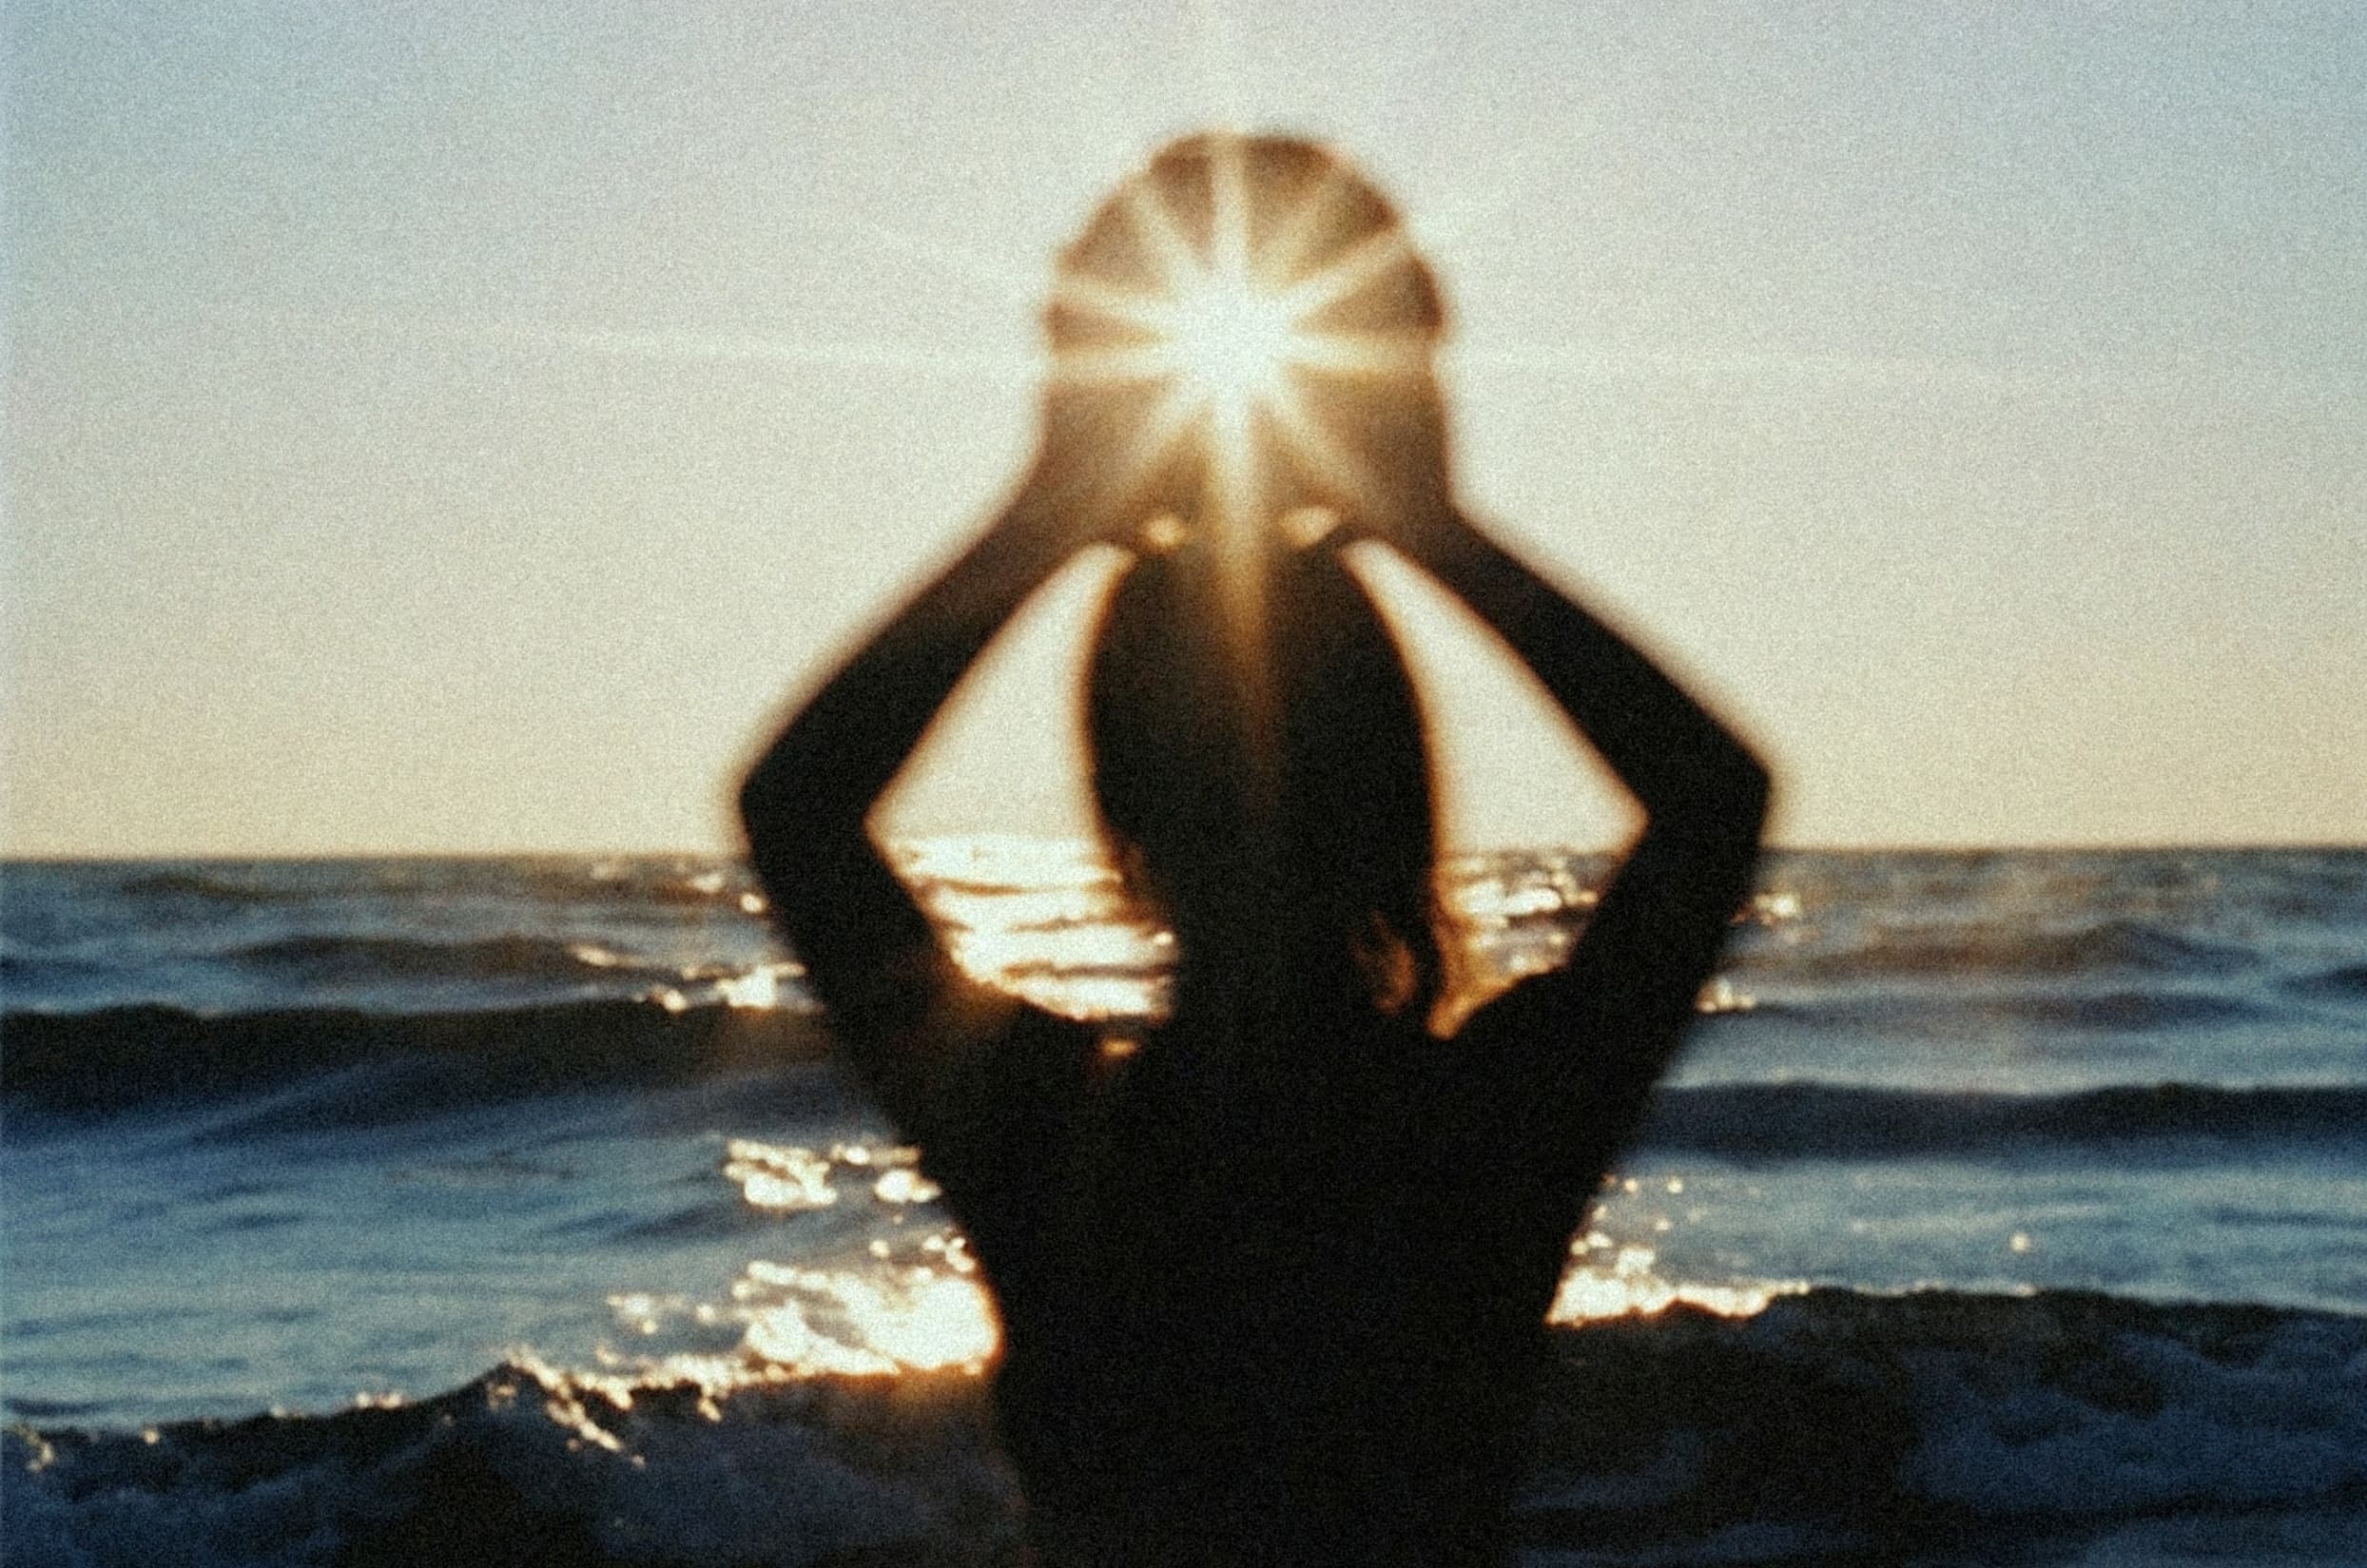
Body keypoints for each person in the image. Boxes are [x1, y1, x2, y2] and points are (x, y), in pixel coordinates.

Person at [741, 133, 1768, 1567]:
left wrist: (1040, 517)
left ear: (1119, 828)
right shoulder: (1482, 1129)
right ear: (1401, 795)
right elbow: (1714, 798)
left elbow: (794, 809)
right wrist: (1436, 524)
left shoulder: (1049, 1141)